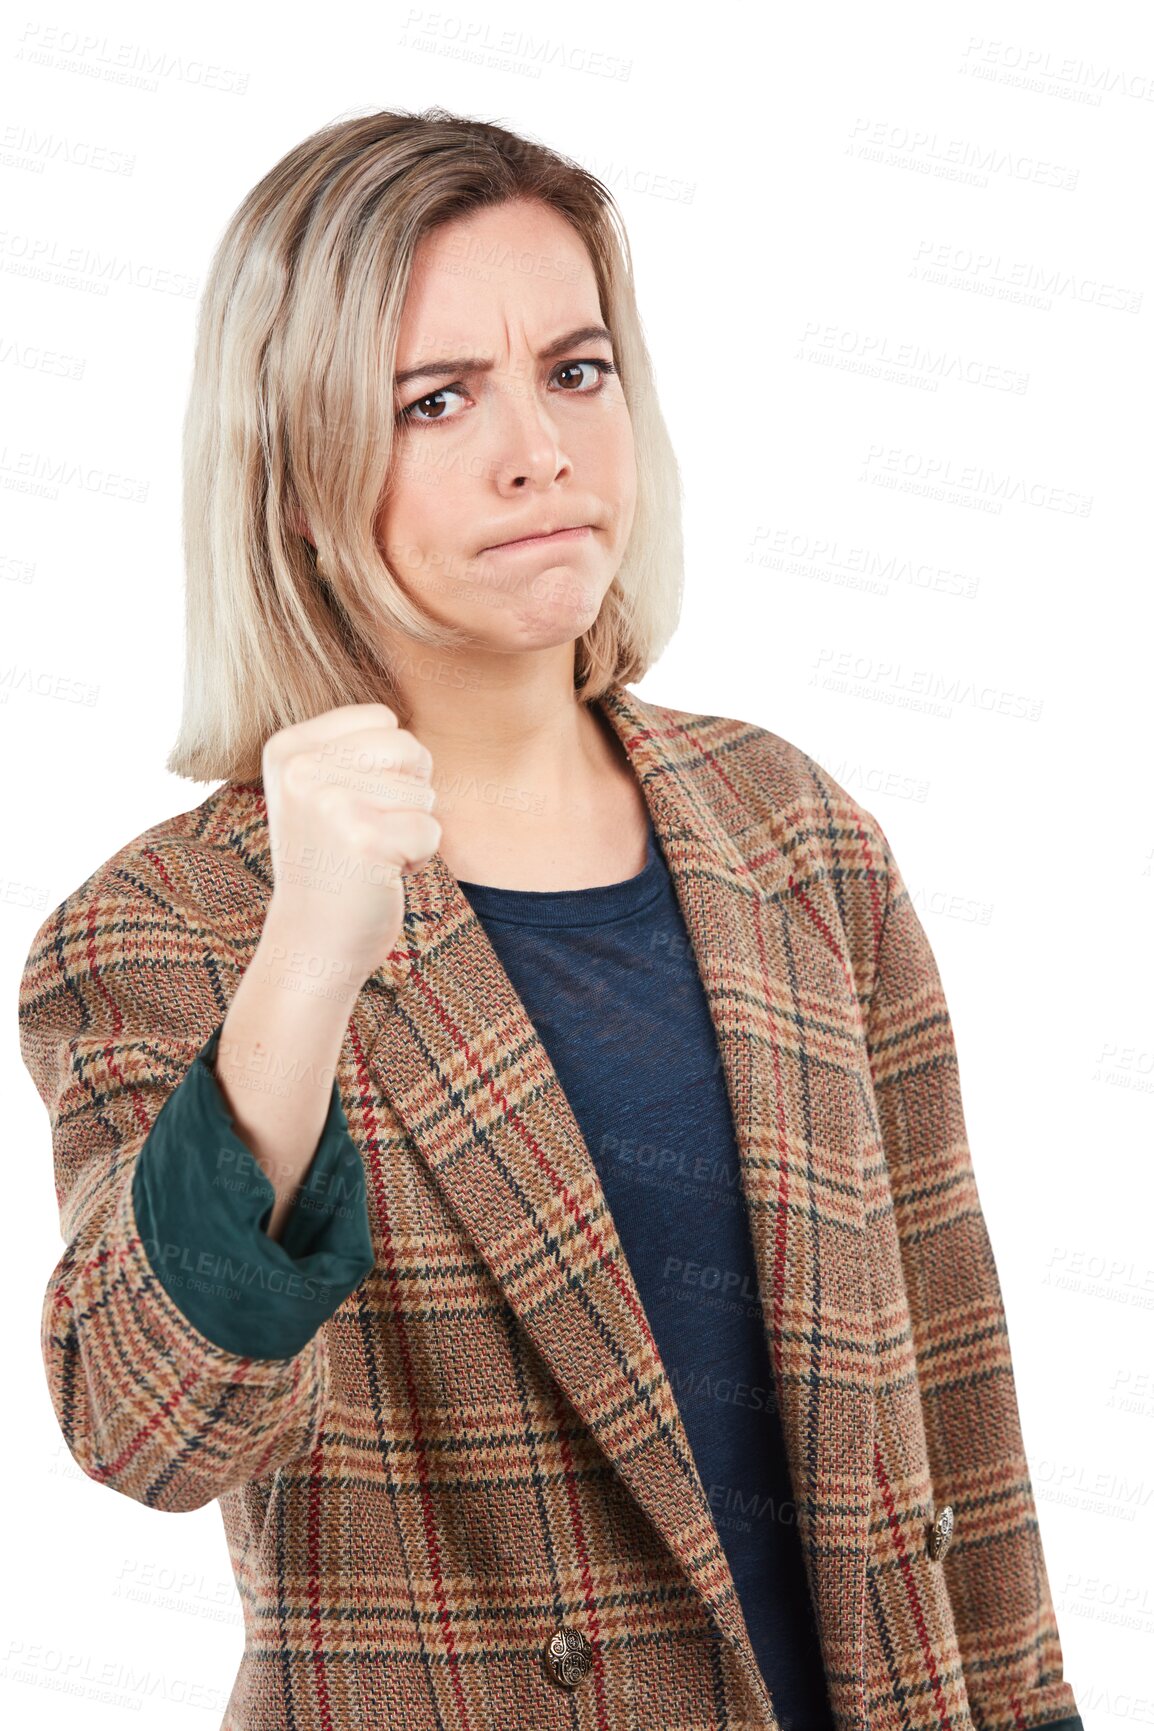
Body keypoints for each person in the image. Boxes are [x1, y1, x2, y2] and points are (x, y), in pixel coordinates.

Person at [18, 107, 1083, 1731]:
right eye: (433, 401)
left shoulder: (790, 832)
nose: (541, 451)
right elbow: (148, 1431)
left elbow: (952, 1388)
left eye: (573, 372)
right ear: (296, 480)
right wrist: (305, 954)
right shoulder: (162, 927)